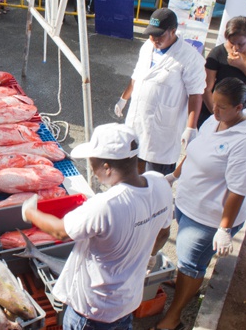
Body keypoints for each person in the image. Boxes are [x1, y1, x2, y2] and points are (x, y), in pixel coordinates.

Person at [22, 123, 172, 329]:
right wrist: (150, 254)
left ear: (107, 168)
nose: (92, 171)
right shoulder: (160, 183)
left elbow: (59, 231)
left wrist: (30, 212)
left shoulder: (107, 205)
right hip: (128, 302)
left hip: (92, 312)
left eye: (93, 165)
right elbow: (164, 233)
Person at [154, 78, 246, 330]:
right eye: (213, 104)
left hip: (210, 217)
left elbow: (237, 191)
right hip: (188, 203)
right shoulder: (215, 120)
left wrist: (224, 229)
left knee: (192, 263)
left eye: (222, 107)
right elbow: (193, 152)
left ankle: (174, 317)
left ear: (239, 107)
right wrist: (173, 177)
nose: (214, 111)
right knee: (187, 259)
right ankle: (186, 281)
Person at [114, 8, 206, 175]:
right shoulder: (147, 47)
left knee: (155, 181)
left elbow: (196, 94)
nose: (154, 39)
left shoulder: (190, 58)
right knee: (132, 174)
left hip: (163, 132)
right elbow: (137, 76)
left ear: (173, 31)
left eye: (160, 36)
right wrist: (123, 99)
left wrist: (191, 127)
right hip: (137, 121)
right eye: (151, 35)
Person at [199, 16, 246, 127]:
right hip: (215, 111)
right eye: (231, 43)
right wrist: (217, 115)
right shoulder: (217, 53)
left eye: (241, 44)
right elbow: (206, 89)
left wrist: (242, 66)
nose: (235, 48)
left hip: (244, 110)